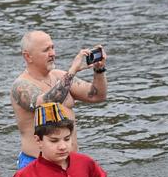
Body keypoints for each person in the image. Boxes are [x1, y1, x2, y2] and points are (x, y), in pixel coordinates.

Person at [10, 30, 108, 169]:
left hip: (69, 162)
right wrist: (72, 71)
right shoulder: (20, 86)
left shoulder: (59, 76)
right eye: (46, 50)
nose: (53, 54)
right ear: (28, 56)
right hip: (37, 164)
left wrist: (99, 70)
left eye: (52, 48)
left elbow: (97, 95)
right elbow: (47, 104)